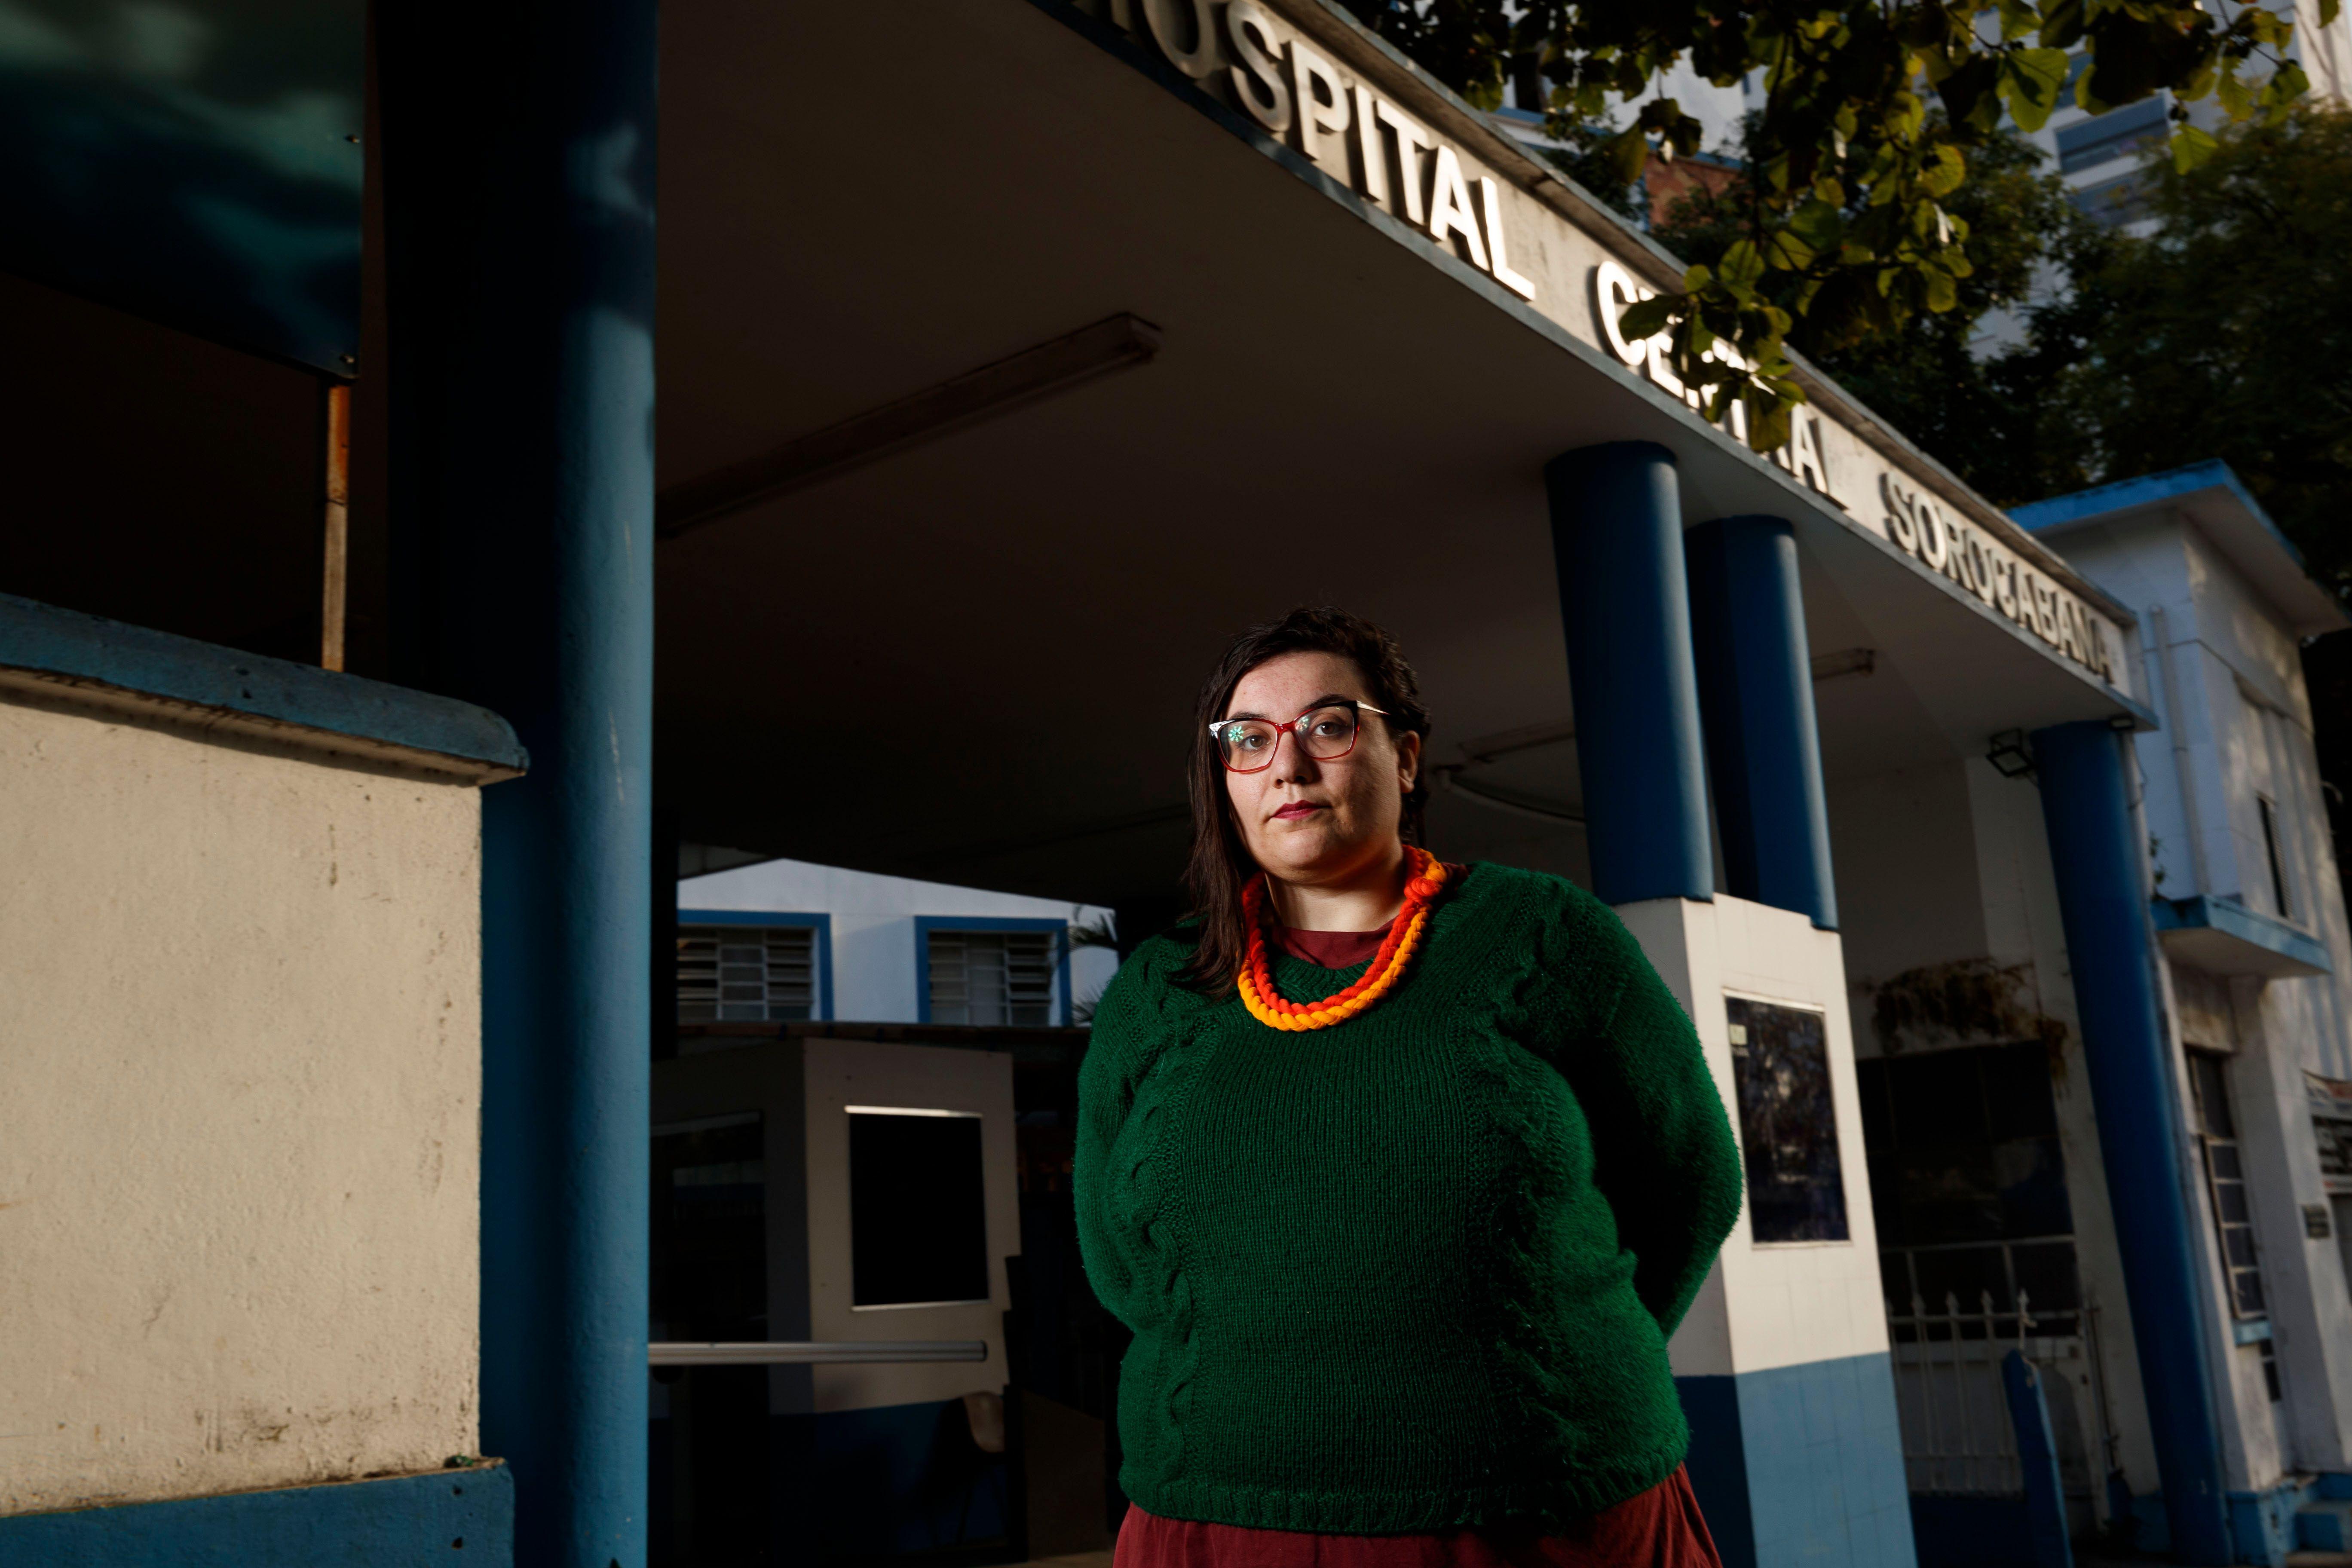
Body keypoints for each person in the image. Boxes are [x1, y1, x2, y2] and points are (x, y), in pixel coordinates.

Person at [1075, 606, 1744, 1568]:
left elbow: (1689, 1180)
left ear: (1407, 756)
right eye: (1249, 740)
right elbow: (1115, 1258)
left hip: (1540, 1517)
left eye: (1329, 727)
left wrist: (1556, 1352)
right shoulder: (1159, 990)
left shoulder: (1546, 937)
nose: (1288, 767)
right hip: (1214, 1515)